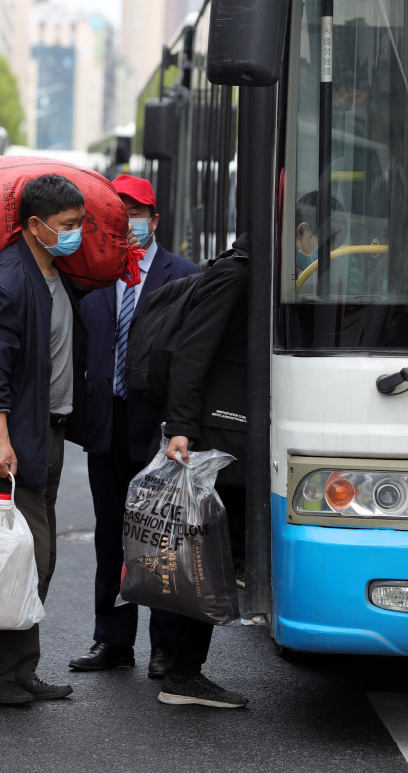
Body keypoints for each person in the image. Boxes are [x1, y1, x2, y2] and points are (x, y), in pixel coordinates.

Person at [0, 174, 88, 706]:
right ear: (35, 226)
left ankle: (19, 668)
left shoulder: (53, 272)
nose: (76, 234)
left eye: (81, 224)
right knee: (22, 557)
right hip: (14, 441)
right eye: (67, 226)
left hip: (47, 430)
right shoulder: (8, 282)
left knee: (34, 554)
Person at [69, 174, 197, 679]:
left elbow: (191, 361)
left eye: (136, 214)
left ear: (154, 219)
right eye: (119, 215)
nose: (129, 224)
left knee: (161, 539)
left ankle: (164, 647)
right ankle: (113, 641)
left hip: (159, 431)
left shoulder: (183, 276)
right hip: (107, 424)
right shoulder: (92, 273)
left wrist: (183, 427)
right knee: (110, 537)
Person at [157, 230, 250, 709]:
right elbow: (192, 355)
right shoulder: (237, 274)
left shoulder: (247, 271)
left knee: (212, 555)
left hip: (232, 433)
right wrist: (182, 429)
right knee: (209, 557)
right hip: (220, 436)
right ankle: (183, 674)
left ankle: (181, 668)